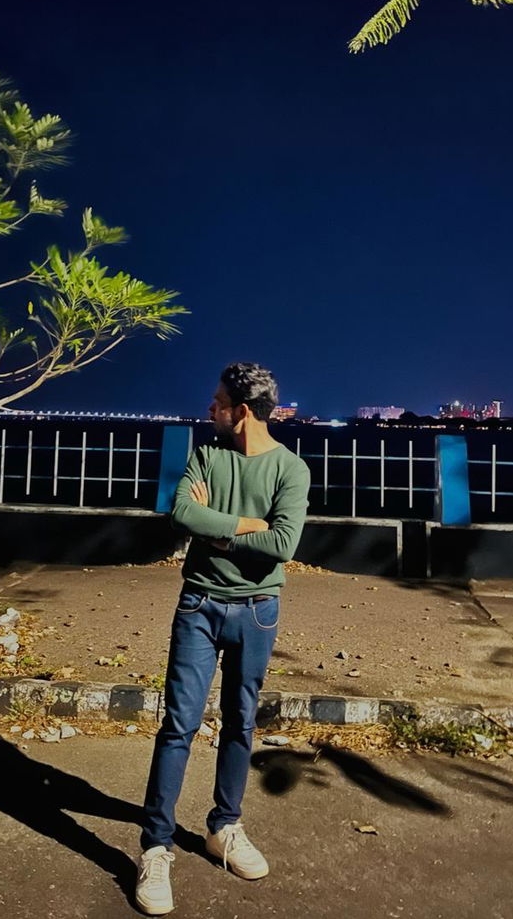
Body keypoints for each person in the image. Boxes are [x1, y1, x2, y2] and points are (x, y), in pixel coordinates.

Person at [136, 362, 310, 915]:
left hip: (257, 612)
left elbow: (282, 544)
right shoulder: (207, 453)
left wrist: (219, 525)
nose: (209, 409)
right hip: (198, 606)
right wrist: (246, 526)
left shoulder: (291, 468)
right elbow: (181, 512)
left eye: (217, 402)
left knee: (240, 722)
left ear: (241, 411)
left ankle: (224, 828)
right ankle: (155, 847)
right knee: (179, 724)